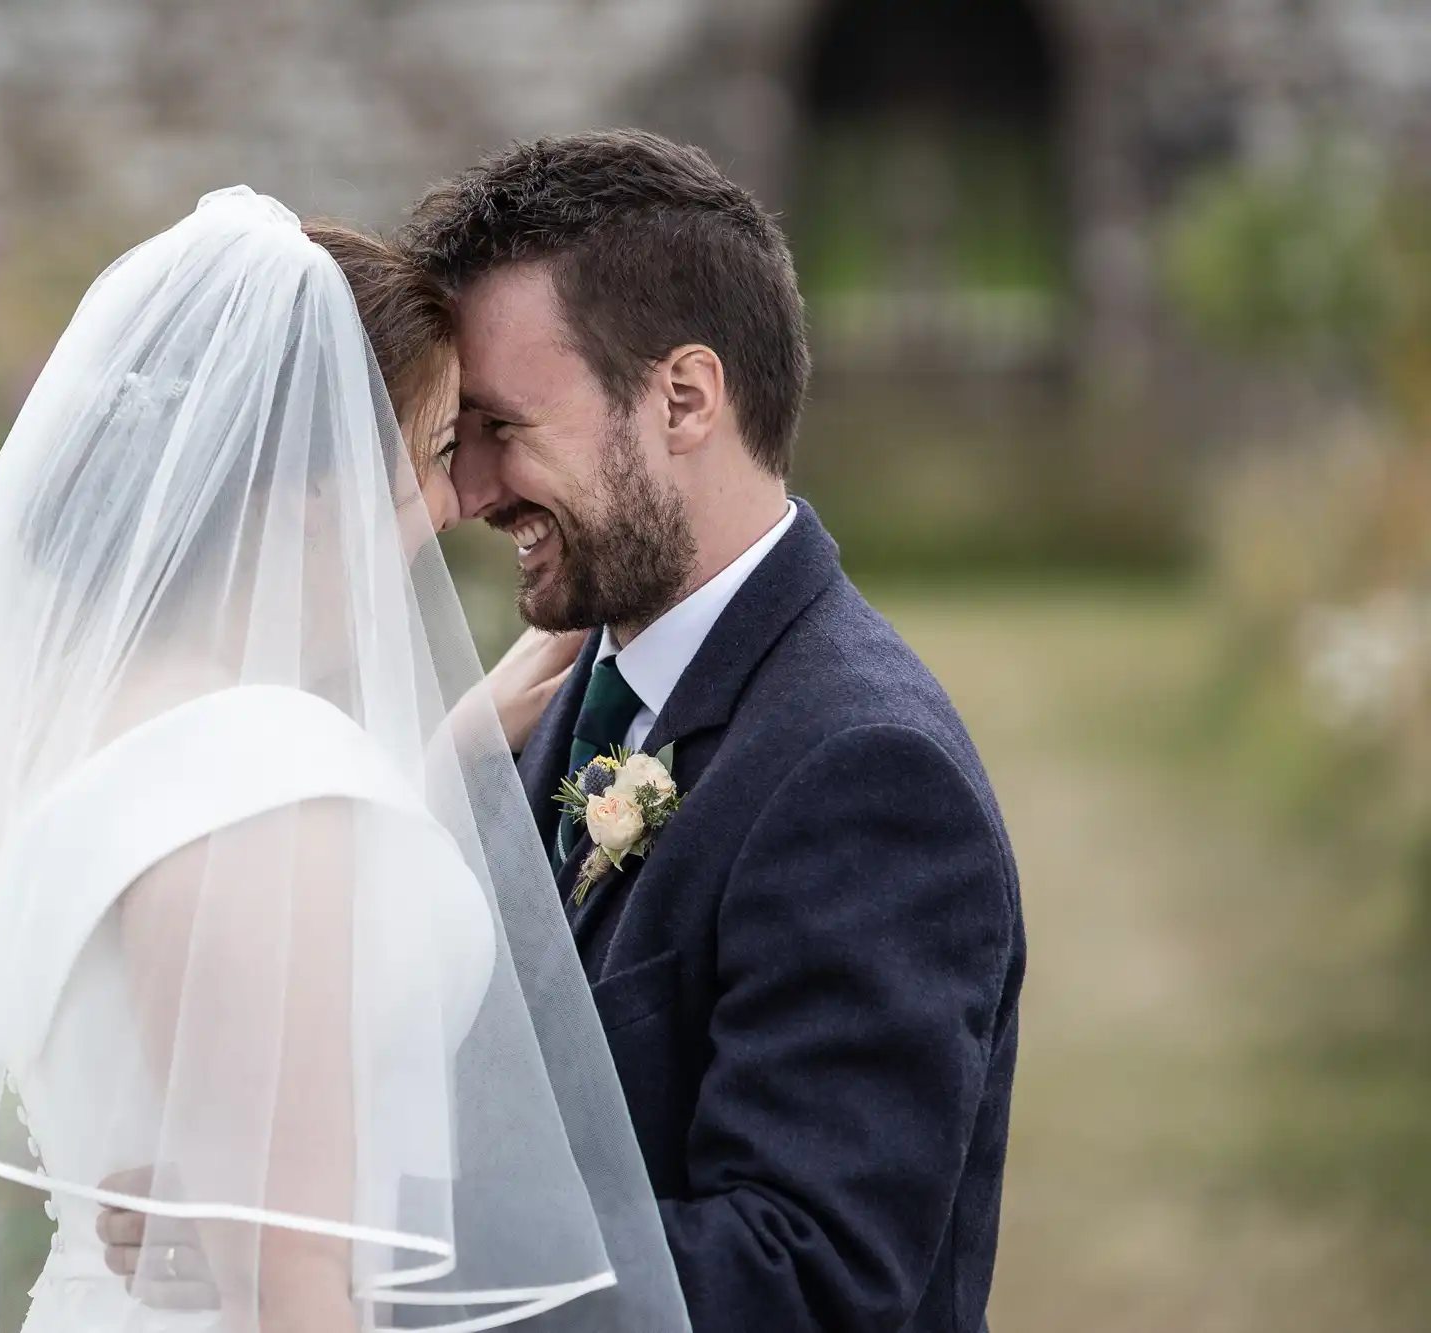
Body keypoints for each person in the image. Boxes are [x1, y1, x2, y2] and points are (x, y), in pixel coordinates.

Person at [0, 188, 686, 1333]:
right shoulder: (257, 775)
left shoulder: (92, 734)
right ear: (313, 490)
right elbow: (289, 1295)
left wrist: (437, 763)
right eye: (431, 453)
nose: (457, 500)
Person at [400, 129, 1027, 1333]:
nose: (470, 490)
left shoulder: (862, 772)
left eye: (501, 427)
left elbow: (801, 1276)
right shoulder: (562, 690)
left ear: (682, 398)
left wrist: (362, 1238)